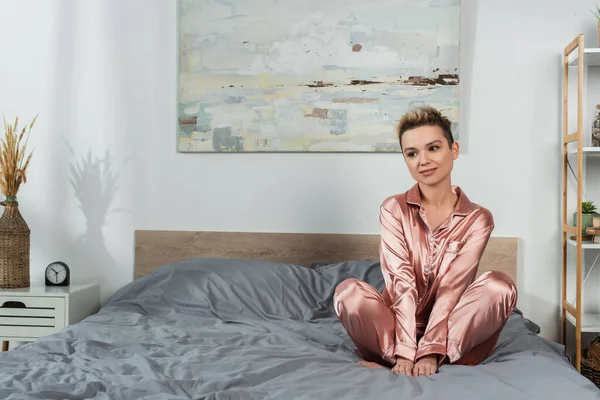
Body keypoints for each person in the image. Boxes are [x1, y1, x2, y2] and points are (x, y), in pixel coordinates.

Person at [333, 105, 517, 377]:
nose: (423, 160)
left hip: (454, 328)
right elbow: (400, 281)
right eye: (412, 153)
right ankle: (394, 358)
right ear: (405, 160)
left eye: (433, 148)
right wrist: (406, 352)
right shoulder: (393, 209)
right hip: (394, 331)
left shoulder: (478, 218)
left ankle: (438, 355)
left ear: (453, 150)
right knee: (348, 292)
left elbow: (453, 287)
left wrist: (429, 352)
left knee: (500, 286)